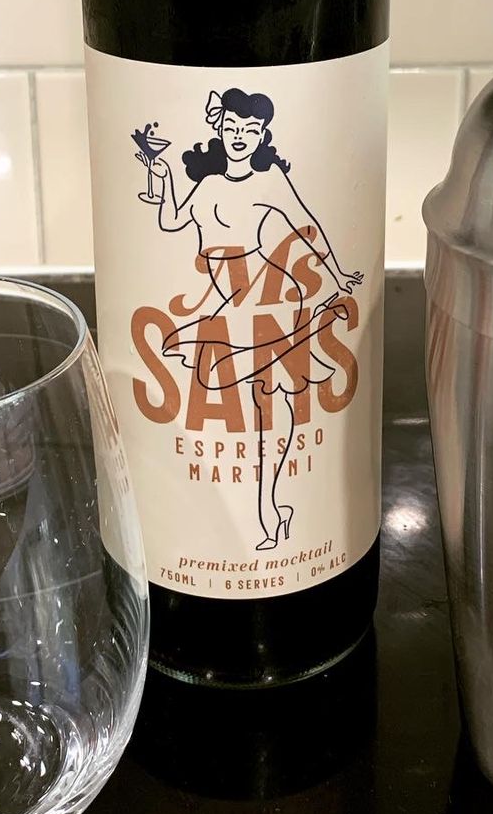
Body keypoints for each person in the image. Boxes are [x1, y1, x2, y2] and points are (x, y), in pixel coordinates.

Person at [138, 88, 362, 550]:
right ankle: (270, 515)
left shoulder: (271, 180)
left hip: (263, 297)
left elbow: (307, 226)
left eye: (251, 129)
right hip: (228, 303)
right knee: (258, 407)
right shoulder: (208, 186)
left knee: (267, 409)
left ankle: (270, 516)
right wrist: (162, 176)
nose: (240, 136)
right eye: (232, 127)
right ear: (220, 131)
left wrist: (338, 274)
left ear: (262, 136)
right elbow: (171, 221)